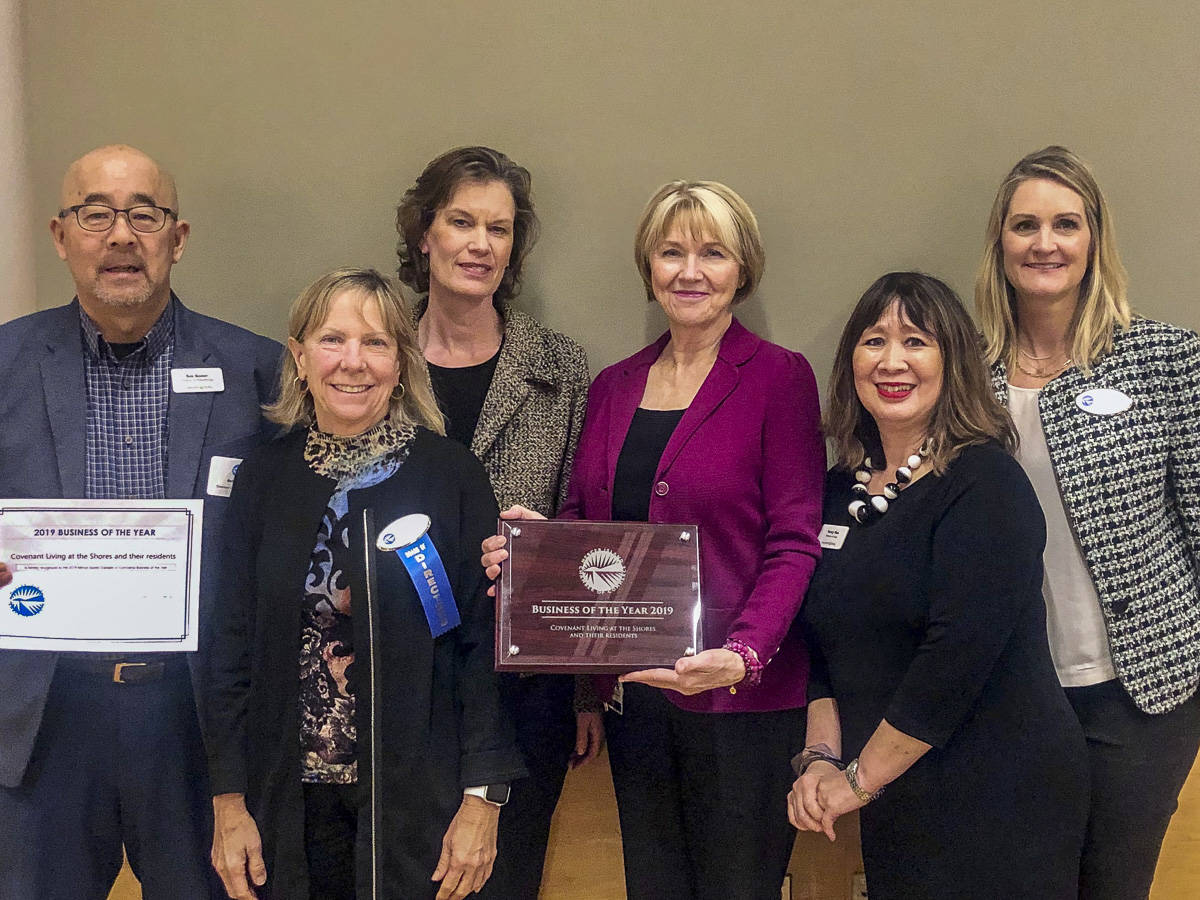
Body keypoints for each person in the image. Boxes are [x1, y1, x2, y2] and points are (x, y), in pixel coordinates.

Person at [484, 180, 825, 900]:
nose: (690, 271)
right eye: (672, 252)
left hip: (742, 707)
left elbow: (795, 542)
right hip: (637, 701)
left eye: (712, 252)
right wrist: (535, 549)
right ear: (649, 266)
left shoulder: (778, 378)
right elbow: (590, 530)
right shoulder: (613, 386)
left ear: (742, 268)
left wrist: (742, 655)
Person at [0, 144, 281, 899]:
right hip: (43, 722)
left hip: (197, 727)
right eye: (96, 214)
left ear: (177, 238)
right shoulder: (3, 362)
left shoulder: (257, 371)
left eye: (143, 215)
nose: (121, 235)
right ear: (61, 236)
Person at [204, 268, 525, 900]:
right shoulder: (264, 479)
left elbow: (484, 649)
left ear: (402, 364)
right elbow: (230, 649)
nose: (354, 362)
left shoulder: (451, 475)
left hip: (420, 803)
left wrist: (483, 799)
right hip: (285, 805)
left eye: (376, 343)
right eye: (333, 340)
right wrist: (228, 801)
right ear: (299, 357)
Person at [788, 272, 1088, 899]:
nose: (892, 361)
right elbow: (821, 645)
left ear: (953, 362)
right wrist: (819, 758)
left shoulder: (986, 484)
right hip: (898, 784)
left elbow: (955, 661)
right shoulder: (839, 490)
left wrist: (858, 781)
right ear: (851, 364)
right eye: (874, 341)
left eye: (916, 341)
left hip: (998, 786)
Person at [975, 145, 1200, 899]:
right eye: (1025, 224)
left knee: (1111, 884)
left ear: (1094, 239)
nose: (1046, 243)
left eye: (1067, 223)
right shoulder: (963, 379)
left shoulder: (1166, 360)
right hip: (1008, 689)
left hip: (1141, 692)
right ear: (999, 242)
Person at [395, 146, 599, 899]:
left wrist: (584, 694)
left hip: (523, 683)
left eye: (500, 228)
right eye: (461, 222)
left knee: (509, 880)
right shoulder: (374, 359)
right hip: (397, 673)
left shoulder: (560, 368)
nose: (480, 244)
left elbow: (584, 521)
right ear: (424, 233)